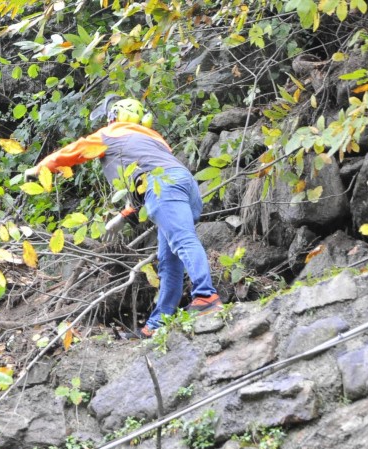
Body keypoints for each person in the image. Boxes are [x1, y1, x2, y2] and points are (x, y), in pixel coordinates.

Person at [28, 95, 222, 337]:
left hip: (163, 187)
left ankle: (206, 296)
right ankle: (157, 324)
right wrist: (125, 215)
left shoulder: (110, 134)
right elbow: (144, 181)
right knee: (168, 260)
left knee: (182, 241)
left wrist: (40, 168)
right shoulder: (154, 140)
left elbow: (74, 152)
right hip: (184, 186)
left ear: (114, 117)